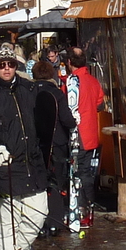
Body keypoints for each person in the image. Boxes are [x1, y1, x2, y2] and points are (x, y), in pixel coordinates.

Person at [0, 43, 50, 250]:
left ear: (16, 66)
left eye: (10, 64)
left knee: (38, 213)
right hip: (4, 168)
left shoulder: (28, 90)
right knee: (7, 223)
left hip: (31, 164)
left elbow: (41, 125)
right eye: (1, 65)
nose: (6, 69)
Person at [30, 58, 74, 235]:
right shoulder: (56, 93)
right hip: (56, 144)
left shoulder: (29, 92)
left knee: (38, 181)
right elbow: (67, 120)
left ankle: (39, 221)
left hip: (36, 143)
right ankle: (55, 220)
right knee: (55, 182)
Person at [65, 48, 105, 228]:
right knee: (87, 172)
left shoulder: (72, 82)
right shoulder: (93, 81)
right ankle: (88, 210)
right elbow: (100, 104)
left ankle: (83, 211)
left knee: (79, 175)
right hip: (90, 133)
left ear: (69, 63)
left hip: (77, 134)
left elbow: (68, 108)